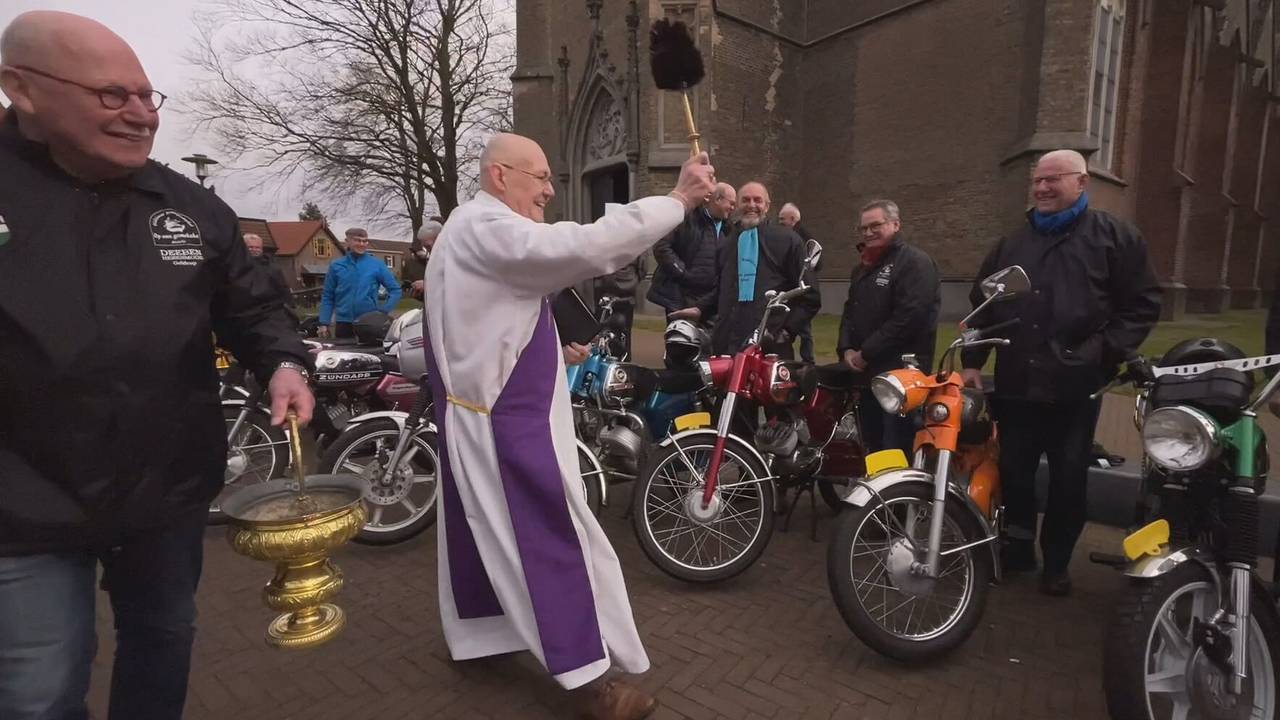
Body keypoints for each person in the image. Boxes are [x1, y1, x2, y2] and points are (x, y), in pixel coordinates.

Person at [0, 11, 313, 720]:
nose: (141, 115)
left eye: (147, 97)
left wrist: (285, 364)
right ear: (23, 89)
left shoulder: (191, 208)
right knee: (38, 688)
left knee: (164, 635)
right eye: (113, 96)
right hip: (20, 504)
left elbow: (256, 310)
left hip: (163, 491)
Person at [423, 132, 714, 720]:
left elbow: (485, 329)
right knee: (553, 542)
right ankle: (590, 682)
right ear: (500, 176)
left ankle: (486, 638)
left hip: (478, 418)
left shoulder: (464, 227)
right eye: (540, 177)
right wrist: (678, 200)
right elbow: (582, 248)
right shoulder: (489, 227)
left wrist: (554, 350)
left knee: (483, 537)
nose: (550, 191)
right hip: (508, 429)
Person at [960, 149, 1160, 596]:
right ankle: (1017, 550)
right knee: (1015, 472)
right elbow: (983, 307)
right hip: (1016, 383)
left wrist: (1100, 352)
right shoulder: (1013, 244)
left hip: (1075, 389)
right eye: (1038, 181)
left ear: (1082, 182)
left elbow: (1143, 304)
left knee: (1070, 480)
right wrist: (973, 364)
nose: (1043, 188)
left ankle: (1056, 563)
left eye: (1053, 179)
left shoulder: (1115, 238)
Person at [836, 200, 940, 454]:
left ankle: (901, 493)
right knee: (872, 445)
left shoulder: (915, 263)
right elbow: (850, 310)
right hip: (867, 375)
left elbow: (909, 317)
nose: (868, 232)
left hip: (901, 377)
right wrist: (846, 348)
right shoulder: (862, 268)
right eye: (864, 228)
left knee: (897, 445)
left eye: (876, 225)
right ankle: (877, 490)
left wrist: (866, 352)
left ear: (895, 224)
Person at [708, 181, 820, 358]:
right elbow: (719, 290)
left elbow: (810, 295)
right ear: (737, 205)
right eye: (745, 200)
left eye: (757, 200)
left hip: (770, 344)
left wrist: (787, 331)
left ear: (767, 206)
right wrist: (699, 309)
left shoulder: (788, 240)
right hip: (727, 344)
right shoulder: (726, 245)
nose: (751, 205)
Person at [647, 182, 735, 318]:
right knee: (681, 338)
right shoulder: (687, 218)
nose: (733, 208)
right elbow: (661, 246)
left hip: (710, 302)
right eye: (731, 203)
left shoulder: (729, 229)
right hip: (681, 297)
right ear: (717, 200)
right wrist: (682, 272)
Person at [318, 226, 402, 338]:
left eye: (365, 241)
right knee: (344, 354)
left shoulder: (376, 264)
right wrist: (324, 322)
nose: (362, 244)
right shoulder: (336, 266)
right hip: (344, 323)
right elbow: (328, 295)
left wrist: (383, 311)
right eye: (357, 240)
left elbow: (395, 290)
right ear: (347, 242)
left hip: (369, 322)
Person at [778, 201, 819, 362]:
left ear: (793, 219)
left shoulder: (804, 237)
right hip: (790, 290)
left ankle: (808, 361)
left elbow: (817, 261)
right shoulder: (785, 237)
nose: (780, 223)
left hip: (803, 290)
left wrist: (805, 274)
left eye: (783, 219)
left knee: (805, 329)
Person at [243, 232, 294, 307]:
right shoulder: (234, 266)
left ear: (262, 248)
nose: (254, 249)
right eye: (250, 247)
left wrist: (291, 306)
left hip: (267, 310)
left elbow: (283, 289)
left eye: (257, 247)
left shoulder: (273, 268)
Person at [404, 218, 442, 300]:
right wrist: (421, 294)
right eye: (425, 247)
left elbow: (457, 286)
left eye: (428, 246)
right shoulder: (432, 260)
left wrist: (427, 285)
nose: (428, 251)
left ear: (440, 238)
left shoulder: (454, 259)